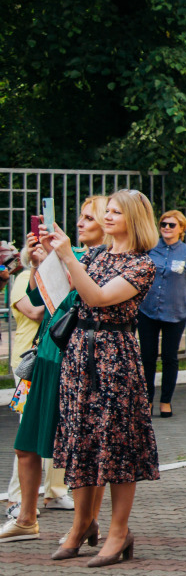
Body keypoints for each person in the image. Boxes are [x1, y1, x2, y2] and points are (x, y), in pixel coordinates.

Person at [46, 189, 162, 566]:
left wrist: (66, 255)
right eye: (107, 211)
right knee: (81, 440)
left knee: (118, 445)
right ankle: (81, 526)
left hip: (114, 356)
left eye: (116, 212)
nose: (108, 217)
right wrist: (45, 260)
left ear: (135, 219)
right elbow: (69, 293)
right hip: (80, 352)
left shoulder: (141, 264)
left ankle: (118, 532)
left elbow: (95, 296)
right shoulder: (94, 254)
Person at [3, 200, 107, 545]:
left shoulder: (105, 258)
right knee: (26, 444)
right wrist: (39, 263)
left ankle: (86, 523)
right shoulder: (70, 252)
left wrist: (63, 260)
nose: (80, 223)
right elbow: (40, 299)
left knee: (81, 448)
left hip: (77, 360)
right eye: (80, 216)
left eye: (90, 217)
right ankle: (26, 518)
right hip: (47, 355)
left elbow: (86, 299)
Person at [1, 237, 70, 540]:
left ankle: (55, 491)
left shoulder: (67, 269)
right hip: (28, 366)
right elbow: (35, 310)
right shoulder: (21, 279)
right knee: (27, 430)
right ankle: (17, 500)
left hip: (54, 360)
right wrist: (40, 270)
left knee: (56, 433)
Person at [136, 210, 186, 417]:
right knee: (147, 357)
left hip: (175, 312)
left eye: (171, 225)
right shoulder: (149, 249)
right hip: (147, 310)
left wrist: (178, 293)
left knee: (169, 357)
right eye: (163, 224)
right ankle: (147, 401)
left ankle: (166, 400)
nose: (166, 228)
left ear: (181, 229)